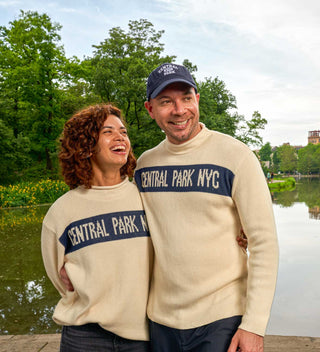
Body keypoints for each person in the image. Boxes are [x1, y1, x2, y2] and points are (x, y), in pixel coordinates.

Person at [134, 63, 279, 352]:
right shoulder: (144, 166)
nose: (179, 110)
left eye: (186, 98)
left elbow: (264, 243)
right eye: (166, 102)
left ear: (197, 100)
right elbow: (134, 234)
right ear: (150, 109)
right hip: (161, 321)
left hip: (222, 318)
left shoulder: (236, 157)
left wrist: (254, 324)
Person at [41, 104, 153, 352]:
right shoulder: (61, 212)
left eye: (123, 132)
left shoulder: (148, 198)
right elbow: (59, 279)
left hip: (143, 337)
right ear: (85, 144)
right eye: (108, 131)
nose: (120, 137)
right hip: (84, 338)